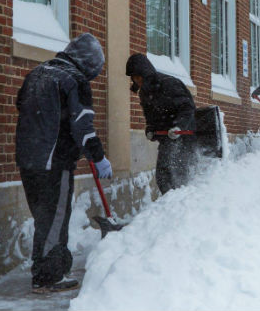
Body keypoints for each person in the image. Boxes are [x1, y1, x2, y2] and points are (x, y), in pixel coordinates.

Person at [15, 33, 112, 294]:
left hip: (27, 158)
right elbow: (84, 127)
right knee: (54, 218)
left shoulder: (37, 73)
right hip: (54, 161)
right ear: (89, 64)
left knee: (44, 218)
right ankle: (47, 277)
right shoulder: (75, 80)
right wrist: (98, 157)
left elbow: (22, 106)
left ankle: (57, 265)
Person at [126, 53, 197, 195]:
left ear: (145, 73)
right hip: (168, 138)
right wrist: (151, 129)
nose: (137, 81)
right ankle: (172, 209)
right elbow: (151, 116)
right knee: (164, 177)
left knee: (176, 176)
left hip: (184, 136)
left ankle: (183, 208)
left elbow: (187, 107)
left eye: (138, 77)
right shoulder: (144, 93)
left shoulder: (169, 84)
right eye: (134, 78)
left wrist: (178, 126)